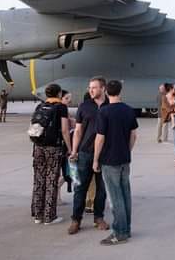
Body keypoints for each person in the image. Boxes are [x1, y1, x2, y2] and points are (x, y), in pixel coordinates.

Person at [93, 80, 139, 245]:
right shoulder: (128, 110)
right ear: (120, 91)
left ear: (106, 91)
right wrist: (127, 150)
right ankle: (126, 229)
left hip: (109, 159)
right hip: (124, 159)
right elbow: (134, 135)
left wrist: (96, 159)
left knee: (115, 197)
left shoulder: (104, 112)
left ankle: (119, 232)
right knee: (125, 193)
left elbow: (100, 138)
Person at [68, 78, 109, 235]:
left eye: (94, 87)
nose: (91, 90)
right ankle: (76, 220)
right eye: (90, 87)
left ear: (103, 88)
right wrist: (74, 151)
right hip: (85, 153)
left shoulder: (109, 106)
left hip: (105, 155)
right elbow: (78, 131)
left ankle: (98, 218)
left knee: (102, 189)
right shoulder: (84, 106)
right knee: (80, 187)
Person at [31, 83, 72, 226]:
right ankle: (49, 216)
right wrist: (70, 148)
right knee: (51, 181)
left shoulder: (40, 106)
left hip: (38, 147)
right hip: (53, 148)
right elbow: (65, 130)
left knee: (39, 180)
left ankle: (37, 215)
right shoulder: (61, 107)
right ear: (59, 94)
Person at [58, 90, 74, 206]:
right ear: (61, 98)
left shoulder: (61, 110)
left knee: (64, 174)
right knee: (67, 173)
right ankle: (56, 195)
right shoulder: (62, 110)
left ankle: (56, 197)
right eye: (67, 98)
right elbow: (65, 130)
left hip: (58, 146)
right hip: (64, 147)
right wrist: (70, 149)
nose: (69, 101)